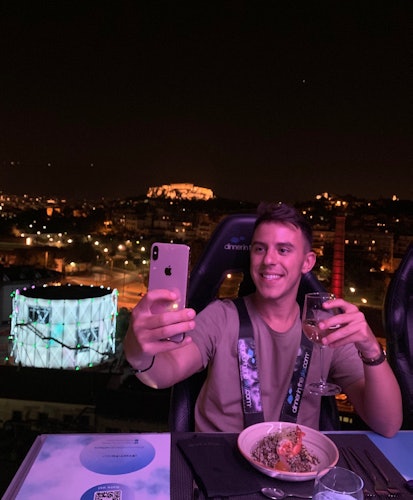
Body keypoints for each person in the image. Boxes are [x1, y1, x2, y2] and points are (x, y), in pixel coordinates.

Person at [124, 202, 402, 437]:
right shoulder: (221, 317)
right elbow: (163, 373)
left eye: (283, 250)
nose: (269, 260)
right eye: (259, 249)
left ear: (307, 262)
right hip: (218, 463)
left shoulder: (324, 329)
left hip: (296, 466)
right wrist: (137, 350)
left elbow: (388, 425)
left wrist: (371, 349)